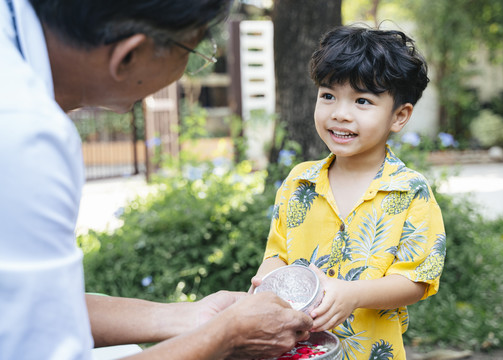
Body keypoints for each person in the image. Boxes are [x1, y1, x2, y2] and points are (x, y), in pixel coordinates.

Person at [0, 0, 312, 359]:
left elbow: (39, 309)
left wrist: (193, 317)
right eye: (191, 50)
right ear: (129, 55)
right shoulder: (24, 137)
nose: (187, 69)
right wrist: (225, 337)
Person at [250, 25, 446, 359]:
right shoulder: (300, 182)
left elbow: (416, 280)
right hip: (297, 348)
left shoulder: (411, 191)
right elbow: (277, 254)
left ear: (399, 116)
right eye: (328, 96)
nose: (340, 113)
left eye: (362, 101)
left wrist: (353, 294)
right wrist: (265, 283)